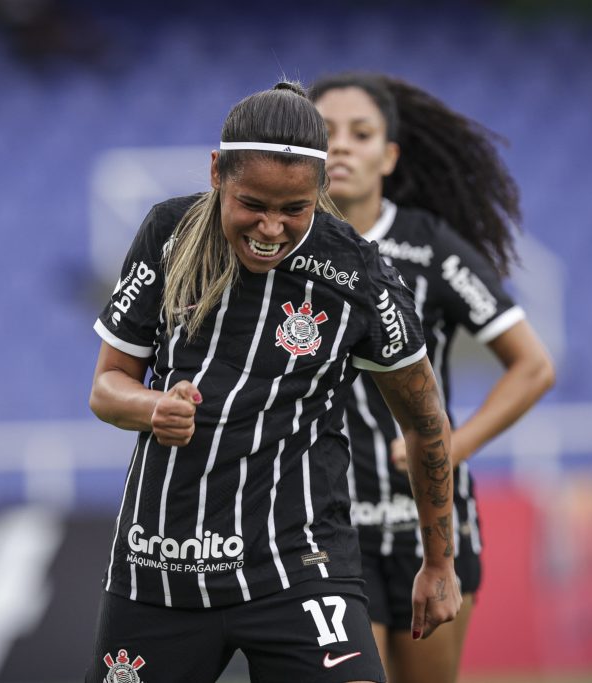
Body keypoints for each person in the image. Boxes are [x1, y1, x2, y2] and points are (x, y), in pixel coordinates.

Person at [85, 81, 461, 683]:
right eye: (253, 203)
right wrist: (153, 406)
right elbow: (107, 387)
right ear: (216, 173)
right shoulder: (168, 233)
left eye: (294, 209)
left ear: (321, 190)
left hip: (301, 564)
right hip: (164, 561)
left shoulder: (358, 275)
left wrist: (438, 562)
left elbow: (425, 422)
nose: (271, 228)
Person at [308, 73, 555, 683]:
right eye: (324, 134)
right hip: (325, 531)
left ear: (388, 155)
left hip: (430, 527)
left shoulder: (432, 248)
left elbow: (534, 366)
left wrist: (453, 443)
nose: (340, 147)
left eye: (360, 134)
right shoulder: (278, 246)